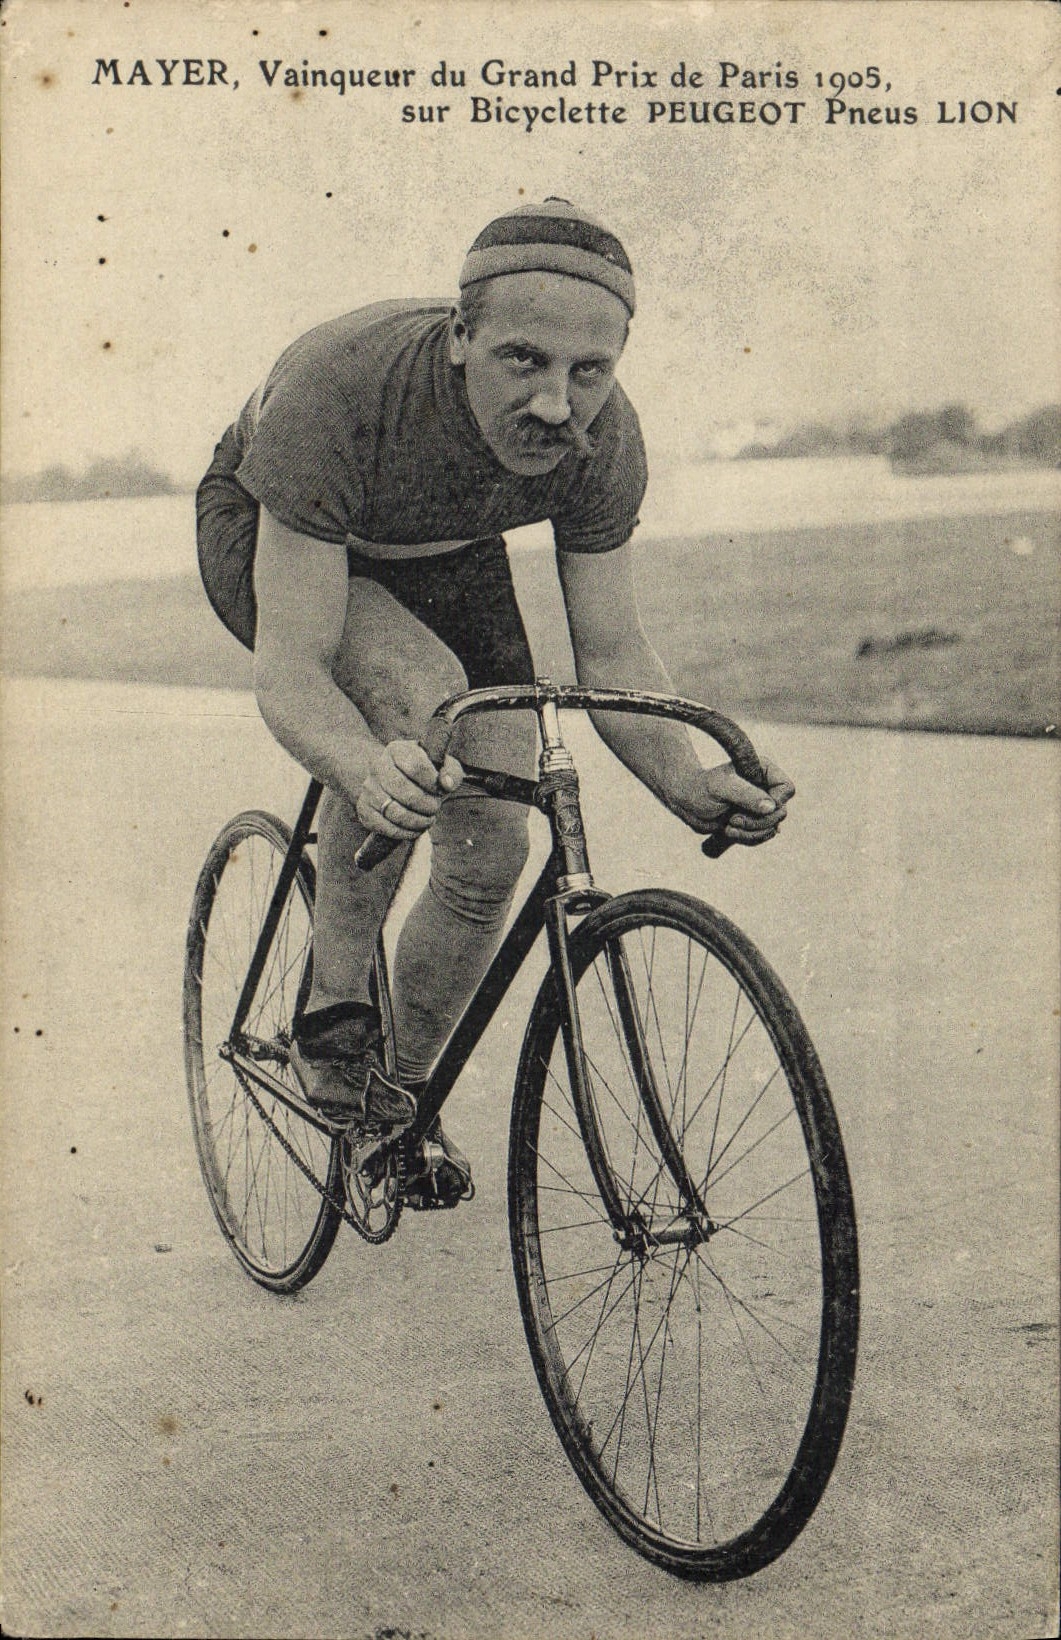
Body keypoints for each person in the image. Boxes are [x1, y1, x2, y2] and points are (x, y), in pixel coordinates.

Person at [196, 197, 794, 1206]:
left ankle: (397, 1102)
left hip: (446, 554)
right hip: (285, 536)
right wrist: (361, 766)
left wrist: (685, 784)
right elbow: (293, 669)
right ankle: (333, 1015)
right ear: (458, 338)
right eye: (523, 359)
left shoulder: (604, 440)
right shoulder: (339, 390)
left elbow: (610, 648)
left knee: (494, 845)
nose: (558, 403)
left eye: (589, 370)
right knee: (418, 704)